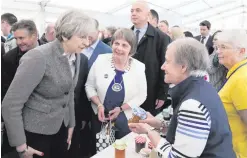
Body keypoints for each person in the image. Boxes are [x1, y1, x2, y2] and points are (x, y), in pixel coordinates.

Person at [1, 10, 96, 158]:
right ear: (65, 34)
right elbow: (10, 104)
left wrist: (71, 125)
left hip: (61, 129)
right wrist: (21, 147)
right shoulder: (38, 57)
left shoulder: (76, 55)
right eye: (82, 37)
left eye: (88, 37)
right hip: (36, 134)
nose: (87, 42)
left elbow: (69, 93)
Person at [129, 38, 236, 158]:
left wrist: (149, 131)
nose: (163, 67)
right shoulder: (202, 87)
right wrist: (160, 125)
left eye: (167, 61)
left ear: (183, 67)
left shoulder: (192, 104)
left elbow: (177, 156)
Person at [85, 28, 147, 152]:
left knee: (122, 150)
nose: (119, 48)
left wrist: (121, 109)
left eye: (124, 45)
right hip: (100, 116)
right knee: (102, 149)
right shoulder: (101, 60)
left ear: (131, 49)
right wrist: (99, 105)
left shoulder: (139, 67)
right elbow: (89, 86)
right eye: (116, 43)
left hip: (125, 119)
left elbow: (142, 95)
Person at [1, 19, 47, 157]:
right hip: (21, 120)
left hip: (46, 120)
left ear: (35, 35)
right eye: (16, 38)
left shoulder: (49, 52)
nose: (19, 42)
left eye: (22, 38)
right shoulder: (9, 58)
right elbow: (6, 90)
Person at [131, 0, 171, 115]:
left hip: (150, 92)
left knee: (144, 125)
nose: (133, 13)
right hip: (128, 92)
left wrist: (162, 94)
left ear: (148, 15)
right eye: (132, 11)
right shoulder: (126, 35)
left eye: (138, 10)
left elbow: (165, 66)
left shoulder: (161, 38)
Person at [217, 30, 247, 158]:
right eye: (217, 47)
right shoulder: (237, 73)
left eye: (223, 47)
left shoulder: (241, 79)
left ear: (242, 51)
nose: (218, 51)